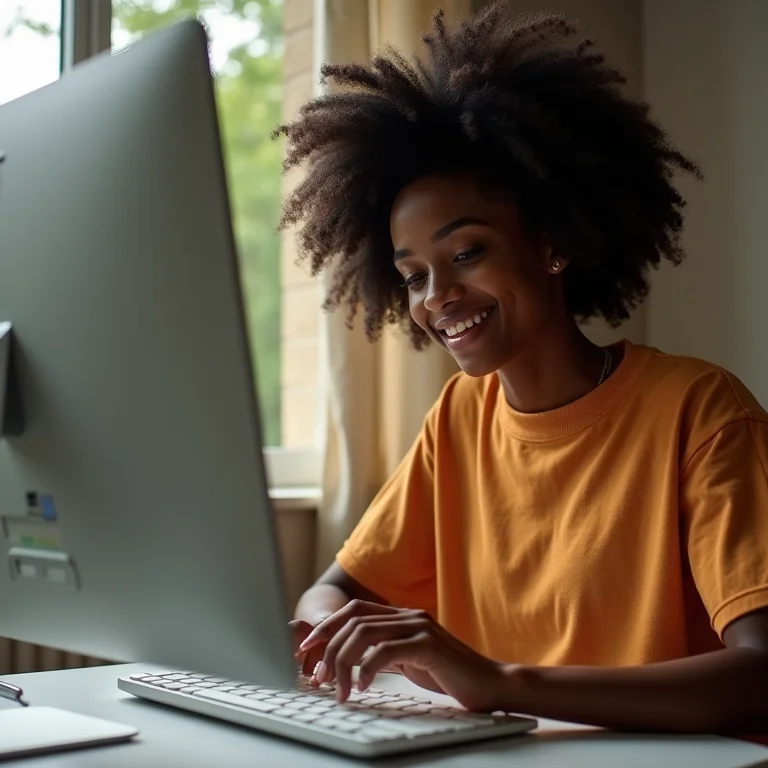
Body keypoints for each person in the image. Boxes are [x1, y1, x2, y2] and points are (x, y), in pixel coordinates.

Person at [273, 0, 768, 734]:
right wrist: (355, 639)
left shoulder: (700, 409)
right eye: (412, 275)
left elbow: (760, 677)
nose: (437, 298)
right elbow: (329, 594)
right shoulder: (457, 418)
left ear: (553, 243)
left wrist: (496, 682)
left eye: (466, 253)